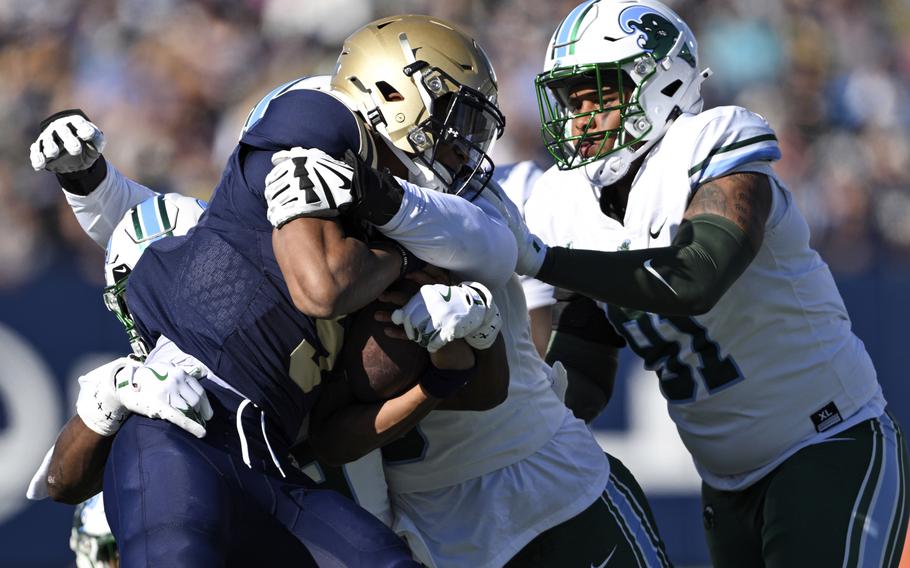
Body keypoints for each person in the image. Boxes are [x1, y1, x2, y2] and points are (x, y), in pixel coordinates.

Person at [31, 14, 523, 567]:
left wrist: (452, 356)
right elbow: (322, 288)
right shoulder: (315, 121)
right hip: (185, 440)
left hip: (272, 454)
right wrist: (110, 395)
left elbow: (494, 259)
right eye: (456, 125)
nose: (464, 150)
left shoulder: (256, 232)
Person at [507, 1, 910, 566]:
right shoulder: (560, 201)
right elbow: (587, 358)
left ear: (664, 82)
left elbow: (694, 276)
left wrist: (540, 259)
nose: (580, 119)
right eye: (571, 101)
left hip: (826, 443)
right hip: (724, 482)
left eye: (599, 95)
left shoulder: (717, 142)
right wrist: (521, 409)